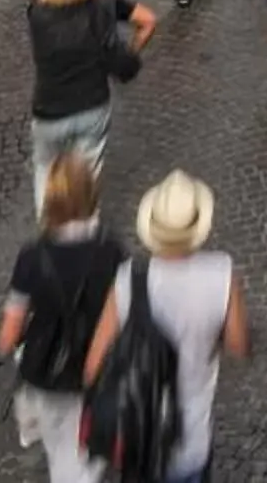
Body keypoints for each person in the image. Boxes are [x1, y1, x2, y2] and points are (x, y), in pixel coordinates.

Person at [84, 171, 249, 480]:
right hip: (192, 441)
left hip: (140, 442)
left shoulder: (128, 279)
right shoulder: (223, 274)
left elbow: (93, 367)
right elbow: (238, 346)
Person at [0, 151, 124, 483]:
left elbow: (8, 335)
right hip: (100, 367)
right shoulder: (112, 251)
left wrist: (17, 343)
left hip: (50, 368)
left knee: (63, 455)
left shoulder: (32, 256)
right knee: (92, 446)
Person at [27, 0, 156, 213]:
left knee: (45, 172)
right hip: (92, 105)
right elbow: (148, 20)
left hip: (49, 111)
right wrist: (129, 52)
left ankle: (50, 234)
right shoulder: (106, 4)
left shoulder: (36, 14)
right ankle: (86, 238)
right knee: (87, 181)